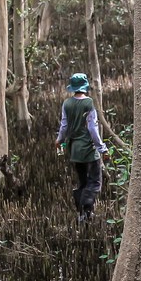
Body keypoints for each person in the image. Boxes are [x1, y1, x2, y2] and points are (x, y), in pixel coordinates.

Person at [55, 73, 109, 221]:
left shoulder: (67, 104)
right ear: (85, 87)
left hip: (74, 150)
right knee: (95, 182)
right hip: (89, 150)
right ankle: (85, 207)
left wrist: (59, 140)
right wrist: (103, 149)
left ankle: (84, 213)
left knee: (83, 182)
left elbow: (64, 126)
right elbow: (93, 129)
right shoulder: (89, 103)